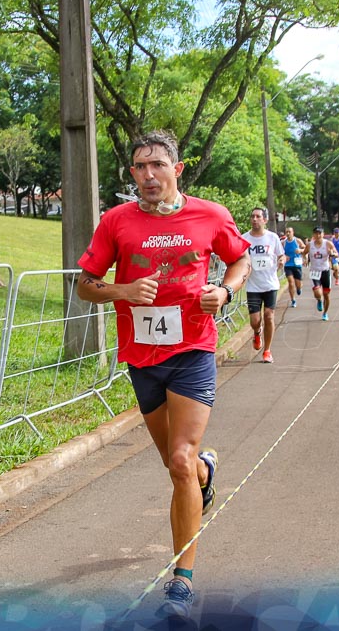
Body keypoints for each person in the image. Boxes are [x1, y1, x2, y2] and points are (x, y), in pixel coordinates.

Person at [76, 130, 250, 618]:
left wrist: (227, 292)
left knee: (179, 459)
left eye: (157, 165)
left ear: (177, 169)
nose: (148, 175)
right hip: (141, 356)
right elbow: (86, 286)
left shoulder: (210, 215)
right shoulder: (116, 221)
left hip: (193, 348)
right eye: (139, 167)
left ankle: (182, 580)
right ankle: (205, 474)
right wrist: (122, 292)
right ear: (132, 175)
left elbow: (239, 259)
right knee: (181, 468)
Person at [242, 207, 285, 363]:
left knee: (269, 315)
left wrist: (281, 260)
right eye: (252, 216)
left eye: (258, 216)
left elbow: (281, 255)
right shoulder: (244, 239)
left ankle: (267, 350)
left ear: (265, 220)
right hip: (253, 286)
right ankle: (256, 333)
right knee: (255, 321)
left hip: (270, 284)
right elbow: (239, 257)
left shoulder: (272, 238)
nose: (254, 219)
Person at [305, 226, 339, 321]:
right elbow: (304, 253)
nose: (318, 235)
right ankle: (319, 300)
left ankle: (325, 313)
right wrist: (305, 259)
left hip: (325, 271)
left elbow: (336, 254)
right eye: (316, 233)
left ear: (323, 234)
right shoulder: (310, 245)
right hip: (314, 271)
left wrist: (332, 253)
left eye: (320, 233)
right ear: (313, 235)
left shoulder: (328, 244)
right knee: (317, 292)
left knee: (326, 294)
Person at [282, 227, 305, 307]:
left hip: (297, 264)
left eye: (289, 232)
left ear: (293, 232)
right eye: (286, 232)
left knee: (298, 284)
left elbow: (305, 249)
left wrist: (300, 250)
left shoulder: (297, 241)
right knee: (291, 282)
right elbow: (279, 252)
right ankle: (293, 300)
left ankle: (299, 288)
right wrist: (284, 256)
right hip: (288, 265)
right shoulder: (283, 242)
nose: (288, 233)